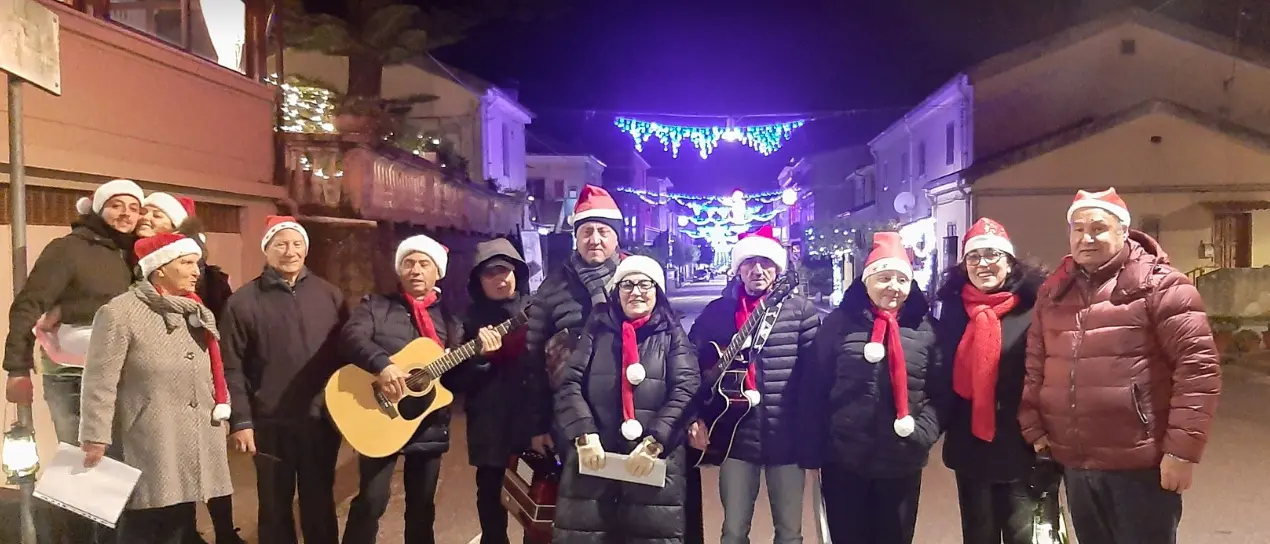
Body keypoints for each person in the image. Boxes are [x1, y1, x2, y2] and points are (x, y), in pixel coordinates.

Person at [1019, 188, 1222, 544]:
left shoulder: (1163, 287)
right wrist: (1034, 425)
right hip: (1076, 463)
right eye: (1078, 229)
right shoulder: (1054, 293)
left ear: (1124, 232)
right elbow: (1037, 364)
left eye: (1098, 228)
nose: (1087, 237)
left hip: (1141, 466)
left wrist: (1181, 452)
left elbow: (1198, 370)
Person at [3, 178, 142, 544]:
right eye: (116, 205)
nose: (125, 213)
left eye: (133, 207)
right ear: (98, 208)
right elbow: (29, 304)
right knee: (84, 475)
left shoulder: (133, 255)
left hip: (120, 378)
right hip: (73, 377)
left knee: (117, 477)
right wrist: (16, 367)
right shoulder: (68, 249)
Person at [340, 234, 503, 543]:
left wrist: (480, 358)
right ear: (400, 270)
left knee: (421, 508)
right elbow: (351, 338)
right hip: (379, 417)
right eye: (409, 263)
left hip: (427, 424)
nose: (416, 269)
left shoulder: (451, 323)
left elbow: (454, 381)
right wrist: (382, 365)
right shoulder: (376, 306)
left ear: (437, 272)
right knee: (371, 501)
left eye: (424, 263)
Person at [78, 233, 233, 544]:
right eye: (187, 263)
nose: (196, 271)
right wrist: (95, 436)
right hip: (149, 440)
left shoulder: (196, 312)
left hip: (194, 437)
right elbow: (100, 380)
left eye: (196, 264)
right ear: (159, 268)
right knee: (143, 524)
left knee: (179, 523)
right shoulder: (120, 313)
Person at [797, 232, 947, 544]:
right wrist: (813, 450)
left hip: (901, 461)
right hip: (844, 460)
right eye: (884, 278)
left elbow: (943, 393)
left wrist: (922, 433)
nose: (893, 287)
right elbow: (814, 388)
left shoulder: (926, 330)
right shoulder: (838, 325)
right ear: (867, 281)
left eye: (901, 280)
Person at [685, 225, 820, 544]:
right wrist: (693, 417)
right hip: (734, 438)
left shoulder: (801, 311)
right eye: (749, 263)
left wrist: (813, 435)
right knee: (733, 531)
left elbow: (815, 378)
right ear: (738, 269)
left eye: (766, 262)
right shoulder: (717, 313)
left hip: (786, 437)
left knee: (789, 532)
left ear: (778, 267)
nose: (758, 270)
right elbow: (688, 365)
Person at [553, 256, 700, 543]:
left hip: (652, 463)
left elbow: (686, 389)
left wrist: (656, 441)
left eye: (645, 284)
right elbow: (568, 383)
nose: (636, 292)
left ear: (657, 290)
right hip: (595, 459)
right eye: (627, 284)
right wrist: (584, 434)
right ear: (616, 292)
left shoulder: (672, 335)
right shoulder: (596, 330)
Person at [220, 216, 346, 544]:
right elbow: (231, 366)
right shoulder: (242, 302)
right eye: (280, 244)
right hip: (270, 422)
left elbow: (346, 356)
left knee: (319, 501)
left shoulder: (329, 295)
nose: (289, 251)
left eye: (296, 244)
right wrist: (242, 421)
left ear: (306, 249)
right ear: (267, 250)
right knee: (274, 506)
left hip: (320, 420)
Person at [934, 218, 1056, 544]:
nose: (983, 264)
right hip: (970, 446)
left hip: (1022, 446)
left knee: (1024, 537)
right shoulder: (954, 309)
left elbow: (1050, 375)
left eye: (992, 255)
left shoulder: (1034, 307)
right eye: (974, 257)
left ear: (1009, 261)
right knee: (978, 535)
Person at [137, 191, 242, 544]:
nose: (145, 217)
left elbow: (221, 330)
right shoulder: (129, 263)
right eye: (145, 210)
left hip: (200, 376)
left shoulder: (205, 277)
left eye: (156, 213)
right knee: (173, 465)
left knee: (209, 460)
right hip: (157, 384)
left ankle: (224, 532)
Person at [524, 185, 626, 454]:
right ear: (576, 238)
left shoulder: (636, 282)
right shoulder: (553, 288)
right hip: (570, 420)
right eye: (586, 231)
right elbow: (534, 363)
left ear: (616, 237)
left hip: (628, 416)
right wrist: (537, 426)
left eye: (603, 231)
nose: (594, 239)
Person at [455, 238, 532, 544]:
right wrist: (481, 360)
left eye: (505, 271)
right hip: (489, 425)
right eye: (491, 274)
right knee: (490, 497)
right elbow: (454, 381)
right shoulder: (467, 321)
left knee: (536, 498)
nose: (500, 279)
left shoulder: (535, 311)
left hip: (531, 422)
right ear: (478, 280)